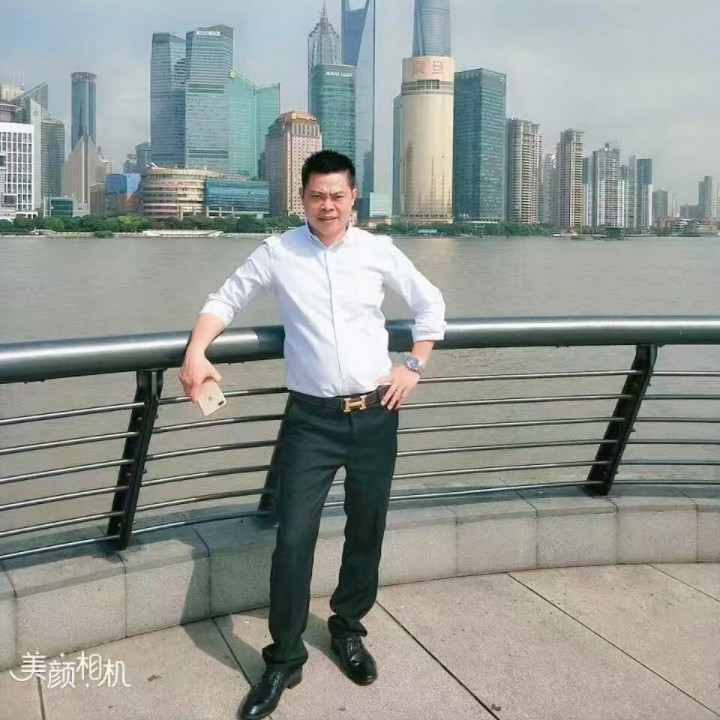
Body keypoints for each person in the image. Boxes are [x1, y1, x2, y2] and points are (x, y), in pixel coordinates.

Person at [178, 150, 446, 719]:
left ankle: (348, 628)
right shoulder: (279, 252)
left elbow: (430, 304)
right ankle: (284, 658)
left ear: (353, 198)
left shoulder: (377, 251)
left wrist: (413, 366)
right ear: (302, 199)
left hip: (376, 411)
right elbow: (225, 299)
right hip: (311, 420)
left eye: (337, 195)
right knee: (294, 539)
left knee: (366, 529)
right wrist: (196, 351)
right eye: (317, 196)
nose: (328, 205)